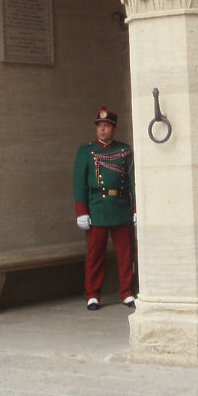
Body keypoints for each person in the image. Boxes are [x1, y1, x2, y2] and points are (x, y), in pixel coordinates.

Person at [73, 106, 137, 310]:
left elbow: (132, 182)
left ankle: (127, 291)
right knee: (95, 254)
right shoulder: (86, 151)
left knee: (125, 253)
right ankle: (93, 294)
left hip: (119, 206)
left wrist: (135, 208)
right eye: (100, 126)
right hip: (97, 207)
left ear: (114, 129)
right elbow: (79, 183)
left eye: (107, 126)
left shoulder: (124, 151)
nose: (102, 130)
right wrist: (82, 211)